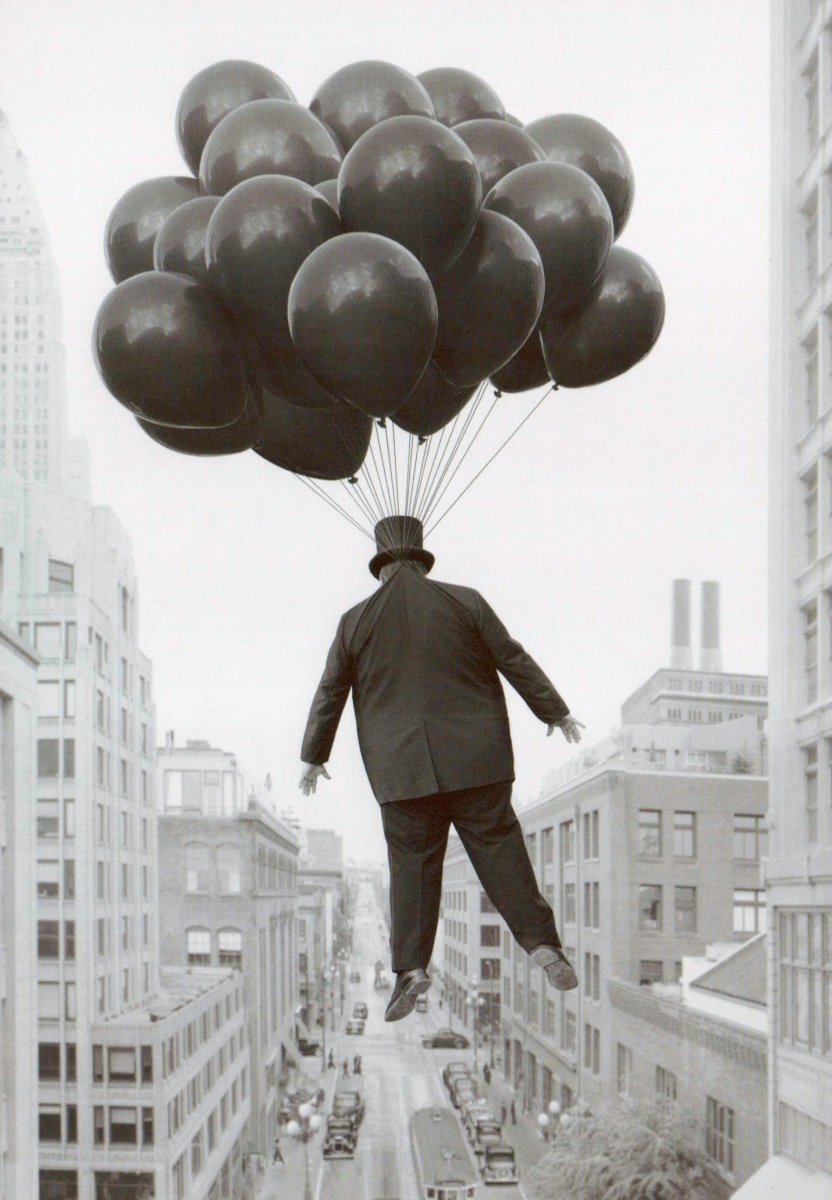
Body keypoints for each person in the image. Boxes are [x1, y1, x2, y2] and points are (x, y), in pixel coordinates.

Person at [300, 516, 584, 1023]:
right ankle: (543, 944)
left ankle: (410, 969)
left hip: (402, 771)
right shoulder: (465, 601)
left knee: (411, 866)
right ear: (421, 560)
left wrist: (313, 756)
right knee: (500, 849)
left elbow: (330, 694)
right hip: (478, 760)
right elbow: (513, 659)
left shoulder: (354, 622)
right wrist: (554, 710)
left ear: (382, 566)